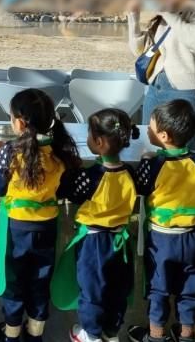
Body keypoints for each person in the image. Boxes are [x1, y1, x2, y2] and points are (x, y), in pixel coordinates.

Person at [0, 88, 82, 342]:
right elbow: (65, 189)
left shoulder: (8, 152)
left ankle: (11, 333)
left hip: (15, 228)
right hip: (47, 227)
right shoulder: (59, 152)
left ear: (19, 122)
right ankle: (35, 333)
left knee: (14, 279)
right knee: (40, 280)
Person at [127, 100, 195, 342]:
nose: (148, 128)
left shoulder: (154, 165)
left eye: (152, 126)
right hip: (193, 237)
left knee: (158, 289)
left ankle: (155, 336)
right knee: (189, 290)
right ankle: (186, 335)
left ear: (164, 136)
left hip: (162, 241)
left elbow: (139, 187)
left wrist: (148, 160)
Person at [59, 109, 139, 342]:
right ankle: (111, 332)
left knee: (92, 289)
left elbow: (69, 192)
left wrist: (70, 170)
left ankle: (90, 334)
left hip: (94, 242)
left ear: (99, 141)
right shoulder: (130, 173)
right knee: (118, 288)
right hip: (121, 241)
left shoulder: (91, 176)